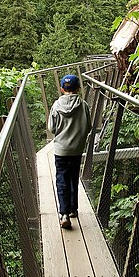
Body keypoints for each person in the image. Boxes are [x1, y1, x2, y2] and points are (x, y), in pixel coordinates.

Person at [47, 74, 92, 229]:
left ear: (61, 89)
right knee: (73, 178)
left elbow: (52, 128)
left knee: (62, 180)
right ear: (78, 89)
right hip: (77, 150)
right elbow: (88, 127)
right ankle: (73, 209)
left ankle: (64, 214)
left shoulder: (56, 106)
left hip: (61, 150)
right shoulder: (84, 105)